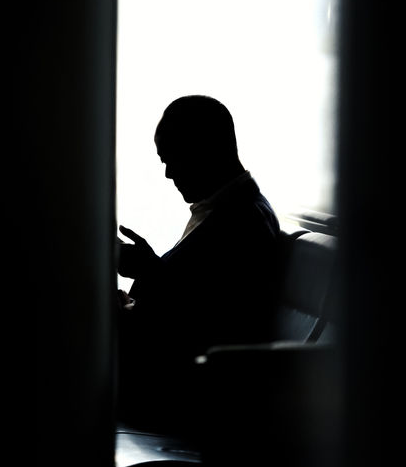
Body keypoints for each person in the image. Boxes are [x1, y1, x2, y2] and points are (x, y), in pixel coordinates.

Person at [116, 95, 283, 433]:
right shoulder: (235, 211)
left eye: (172, 158)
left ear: (205, 149)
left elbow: (212, 319)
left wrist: (149, 274)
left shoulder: (240, 222)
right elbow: (198, 294)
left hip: (183, 396)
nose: (168, 173)